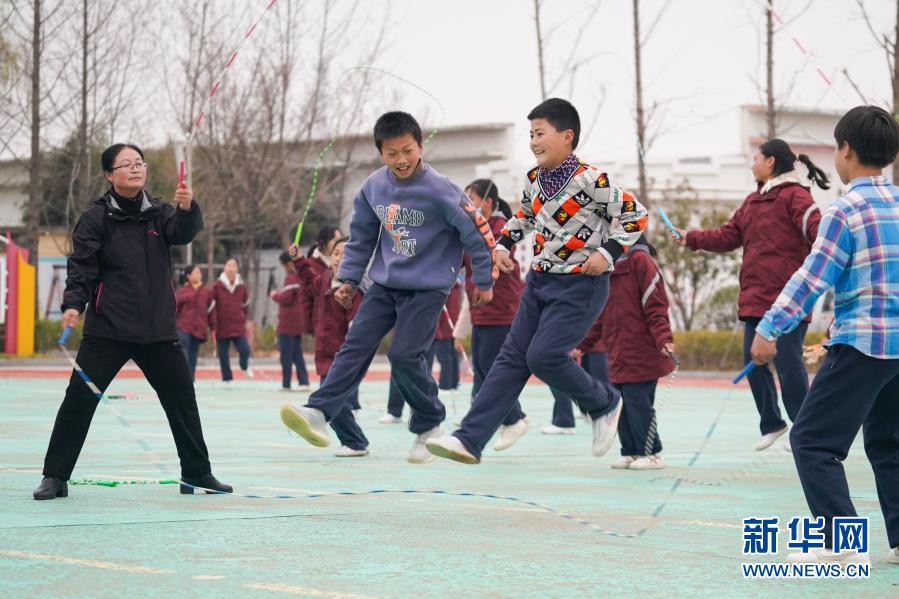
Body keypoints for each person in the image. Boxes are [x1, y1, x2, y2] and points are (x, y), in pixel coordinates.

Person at [427, 97, 647, 464]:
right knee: (510, 360)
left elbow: (635, 216)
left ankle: (605, 403)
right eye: (530, 134)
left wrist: (607, 253)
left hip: (582, 284)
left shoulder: (593, 180)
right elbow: (523, 219)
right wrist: (501, 246)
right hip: (541, 281)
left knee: (542, 356)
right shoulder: (534, 179)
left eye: (540, 133)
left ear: (567, 136)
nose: (533, 141)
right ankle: (469, 439)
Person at [278, 111, 496, 463]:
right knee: (354, 346)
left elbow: (478, 234)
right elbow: (361, 240)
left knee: (403, 355)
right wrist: (347, 279)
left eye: (407, 150)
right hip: (384, 284)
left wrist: (483, 280)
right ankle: (318, 412)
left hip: (429, 288)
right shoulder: (373, 188)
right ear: (381, 153)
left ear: (420, 146)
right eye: (392, 153)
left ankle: (430, 425)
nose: (401, 160)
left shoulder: (442, 190)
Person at [33, 143, 231, 500]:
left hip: (158, 330)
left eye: (139, 163)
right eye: (126, 164)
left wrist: (187, 208)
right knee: (79, 399)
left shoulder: (159, 212)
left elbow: (182, 232)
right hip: (108, 329)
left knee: (182, 400)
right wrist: (73, 305)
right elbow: (81, 268)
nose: (136, 169)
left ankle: (197, 474)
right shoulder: (95, 218)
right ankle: (55, 476)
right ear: (110, 175)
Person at [751, 106, 899, 566]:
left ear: (846, 150)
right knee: (889, 442)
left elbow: (812, 278)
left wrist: (768, 327)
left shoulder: (846, 210)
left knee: (813, 442)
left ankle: (841, 545)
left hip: (861, 345)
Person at [671, 138, 829, 452]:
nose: (752, 164)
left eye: (756, 158)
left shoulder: (797, 198)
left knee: (787, 360)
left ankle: (805, 428)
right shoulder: (752, 202)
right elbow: (727, 235)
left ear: (770, 162)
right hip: (756, 297)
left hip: (789, 299)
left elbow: (821, 235)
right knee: (752, 360)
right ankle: (772, 423)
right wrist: (691, 238)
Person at [592, 237, 675, 470]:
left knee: (638, 401)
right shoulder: (607, 267)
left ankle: (653, 453)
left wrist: (664, 338)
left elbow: (656, 304)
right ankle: (630, 451)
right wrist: (583, 343)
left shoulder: (641, 261)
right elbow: (599, 312)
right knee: (619, 402)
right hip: (617, 350)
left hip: (643, 349)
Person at [459, 179, 529, 451]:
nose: (467, 205)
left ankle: (514, 418)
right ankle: (474, 429)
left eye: (471, 199)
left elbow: (493, 254)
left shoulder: (500, 229)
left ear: (487, 203)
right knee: (482, 369)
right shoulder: (475, 227)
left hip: (500, 309)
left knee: (491, 368)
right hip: (482, 311)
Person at [292, 237, 369, 457]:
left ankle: (353, 441)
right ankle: (356, 440)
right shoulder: (324, 280)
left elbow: (358, 326)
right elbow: (308, 282)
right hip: (324, 353)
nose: (339, 258)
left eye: (346, 254)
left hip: (343, 357)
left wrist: (353, 354)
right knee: (337, 401)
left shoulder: (354, 290)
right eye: (336, 253)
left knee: (332, 399)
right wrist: (299, 259)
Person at [270, 251, 310, 391]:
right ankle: (303, 381)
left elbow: (285, 298)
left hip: (287, 323)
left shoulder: (291, 278)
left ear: (287, 264)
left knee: (286, 356)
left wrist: (275, 295)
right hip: (298, 322)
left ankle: (286, 384)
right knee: (297, 354)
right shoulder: (301, 277)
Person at [211, 257, 253, 383]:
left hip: (237, 325)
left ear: (237, 268)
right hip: (222, 326)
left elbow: (245, 306)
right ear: (224, 268)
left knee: (245, 349)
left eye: (234, 265)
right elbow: (212, 307)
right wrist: (213, 324)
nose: (231, 268)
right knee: (223, 355)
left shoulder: (242, 287)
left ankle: (244, 365)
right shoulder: (216, 286)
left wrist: (242, 318)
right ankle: (227, 378)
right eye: (228, 265)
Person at [176, 264, 213, 381]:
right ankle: (180, 377)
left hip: (199, 329)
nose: (199, 275)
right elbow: (175, 309)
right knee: (183, 352)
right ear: (189, 276)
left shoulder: (206, 291)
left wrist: (213, 326)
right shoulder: (183, 291)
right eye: (196, 272)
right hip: (184, 327)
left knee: (193, 355)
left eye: (199, 272)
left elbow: (211, 310)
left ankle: (191, 379)